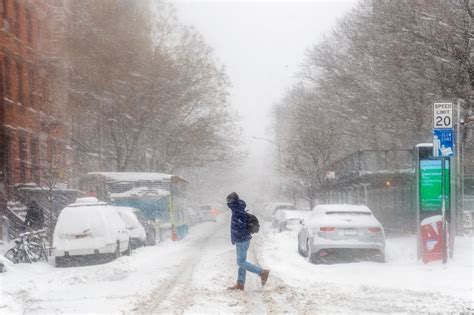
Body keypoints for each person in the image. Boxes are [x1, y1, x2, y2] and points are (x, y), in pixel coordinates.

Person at [226, 192, 269, 291]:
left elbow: (240, 227)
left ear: (232, 201)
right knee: (242, 262)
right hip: (243, 239)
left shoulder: (237, 211)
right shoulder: (238, 208)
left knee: (241, 262)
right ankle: (240, 283)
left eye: (228, 201)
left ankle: (262, 272)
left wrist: (237, 236)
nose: (228, 203)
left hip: (241, 240)